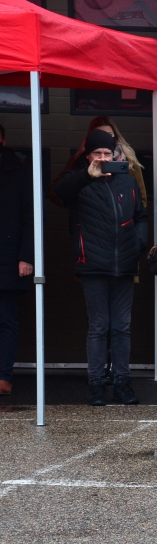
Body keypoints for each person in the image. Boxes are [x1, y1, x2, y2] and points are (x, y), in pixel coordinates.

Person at [54, 129, 148, 406]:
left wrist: (138, 243)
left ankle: (122, 384)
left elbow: (141, 216)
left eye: (108, 154)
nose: (104, 158)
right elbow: (59, 192)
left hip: (124, 264)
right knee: (98, 327)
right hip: (93, 264)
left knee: (122, 327)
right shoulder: (77, 180)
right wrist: (87, 175)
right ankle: (96, 385)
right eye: (98, 154)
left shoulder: (127, 181)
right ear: (88, 155)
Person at [0, 122, 33, 396]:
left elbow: (30, 217)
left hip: (8, 259)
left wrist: (26, 256)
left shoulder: (19, 170)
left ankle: (3, 377)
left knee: (6, 320)